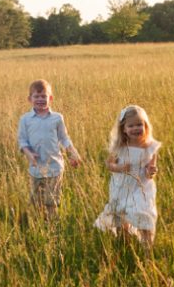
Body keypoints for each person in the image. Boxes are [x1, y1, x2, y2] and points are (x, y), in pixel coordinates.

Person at [94, 104, 161, 249]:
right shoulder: (119, 147)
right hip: (122, 186)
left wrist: (151, 171)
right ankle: (125, 243)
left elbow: (150, 170)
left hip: (142, 187)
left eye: (139, 125)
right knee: (122, 215)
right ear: (123, 129)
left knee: (144, 214)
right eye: (131, 126)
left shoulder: (149, 147)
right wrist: (120, 168)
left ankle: (147, 247)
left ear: (145, 126)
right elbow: (109, 165)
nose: (136, 128)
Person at [17, 79, 82, 221]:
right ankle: (39, 224)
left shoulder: (57, 118)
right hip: (35, 168)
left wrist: (73, 153)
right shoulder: (25, 120)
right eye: (36, 96)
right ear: (30, 99)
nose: (40, 99)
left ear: (50, 98)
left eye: (44, 96)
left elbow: (64, 138)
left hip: (55, 167)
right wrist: (28, 153)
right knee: (37, 201)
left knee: (52, 201)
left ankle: (52, 225)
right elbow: (22, 140)